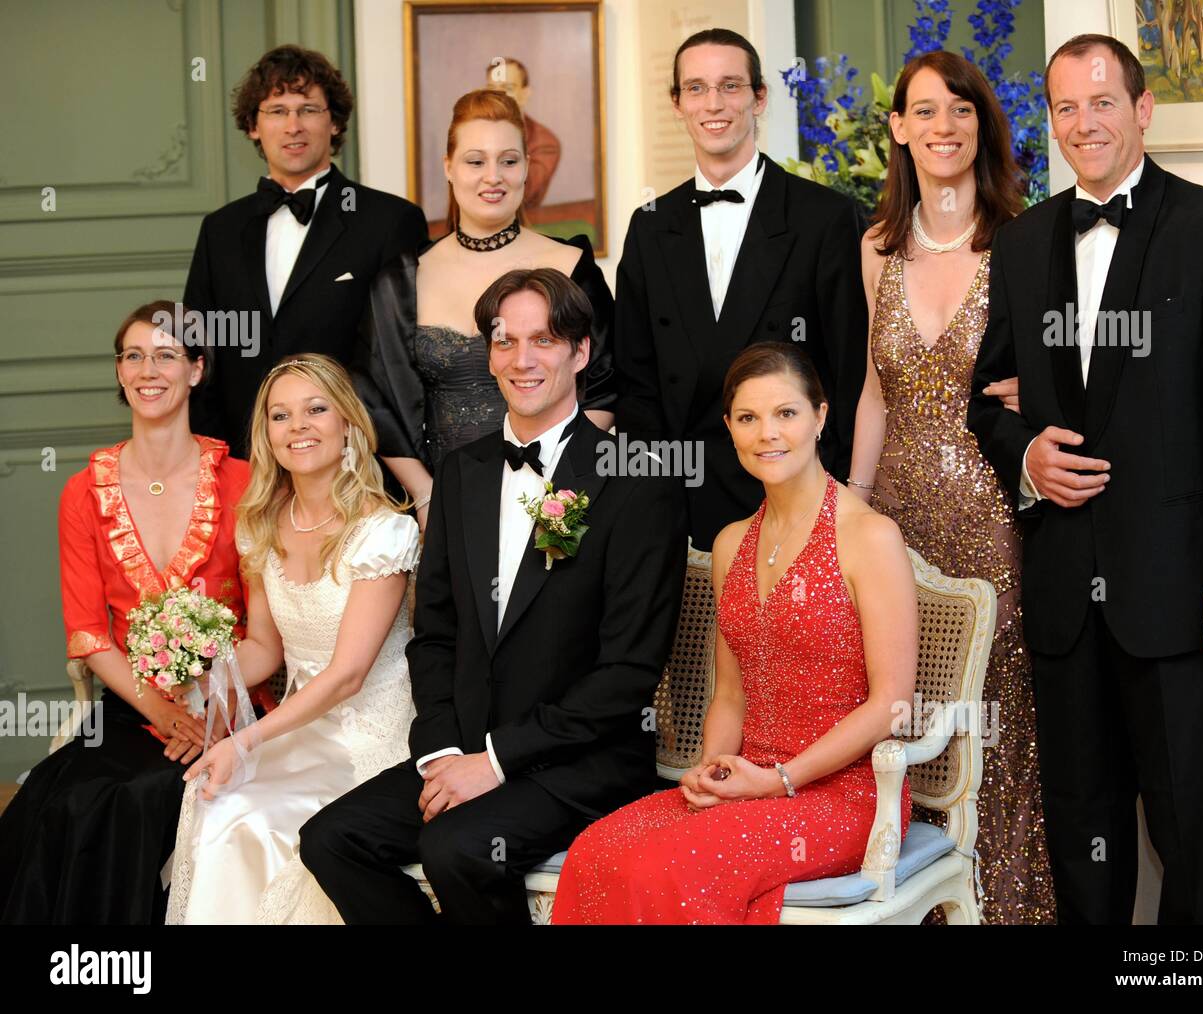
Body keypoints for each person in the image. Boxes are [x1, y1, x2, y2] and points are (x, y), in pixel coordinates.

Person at [967, 34, 1203, 925]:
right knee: (1080, 819)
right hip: (1066, 586)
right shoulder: (1026, 241)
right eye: (1066, 107)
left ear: (1142, 109)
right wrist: (1025, 456)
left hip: (1179, 586)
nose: (1084, 123)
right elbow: (985, 402)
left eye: (1102, 102)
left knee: (1189, 824)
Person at [299, 268, 687, 925]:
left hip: (581, 761)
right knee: (332, 839)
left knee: (458, 847)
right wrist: (446, 750)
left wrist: (498, 761)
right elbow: (436, 634)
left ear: (581, 352)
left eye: (544, 340)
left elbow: (628, 674)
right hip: (466, 749)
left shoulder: (637, 482)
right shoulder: (460, 473)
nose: (522, 359)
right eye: (506, 341)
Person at [553, 342, 915, 924]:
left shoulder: (870, 538)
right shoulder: (729, 543)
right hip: (746, 782)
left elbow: (893, 705)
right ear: (729, 428)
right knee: (595, 851)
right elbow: (730, 695)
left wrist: (779, 780)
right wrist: (711, 770)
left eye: (786, 413)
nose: (767, 433)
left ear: (821, 417)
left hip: (845, 795)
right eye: (748, 418)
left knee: (674, 864)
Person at [852, 51, 1054, 924]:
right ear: (898, 128)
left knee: (996, 717)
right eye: (925, 112)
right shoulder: (876, 248)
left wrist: (1038, 393)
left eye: (961, 110)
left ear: (983, 123)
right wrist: (852, 506)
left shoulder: (1026, 239)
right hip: (895, 520)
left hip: (994, 515)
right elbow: (871, 387)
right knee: (905, 710)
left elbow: (1063, 373)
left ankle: (1007, 907)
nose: (944, 127)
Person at [0, 302, 250, 924]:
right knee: (58, 799)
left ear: (196, 369)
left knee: (140, 794)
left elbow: (270, 626)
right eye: (134, 356)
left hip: (235, 702)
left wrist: (213, 713)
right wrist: (165, 713)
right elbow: (89, 630)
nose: (148, 369)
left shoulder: (245, 482)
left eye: (166, 355)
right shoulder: (84, 491)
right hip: (136, 701)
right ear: (118, 372)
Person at [165, 354, 420, 924]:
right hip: (300, 725)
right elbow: (264, 649)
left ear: (348, 423)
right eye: (281, 416)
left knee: (262, 811)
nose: (298, 426)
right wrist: (198, 682)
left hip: (372, 734)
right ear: (268, 436)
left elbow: (347, 675)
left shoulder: (383, 530)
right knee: (217, 800)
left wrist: (245, 740)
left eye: (316, 409)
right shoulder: (261, 524)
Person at [614, 28, 868, 550]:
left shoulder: (825, 217)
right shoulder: (649, 225)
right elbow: (635, 380)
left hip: (789, 496)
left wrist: (831, 496)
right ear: (677, 103)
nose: (714, 104)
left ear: (759, 98)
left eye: (730, 86)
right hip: (677, 508)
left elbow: (848, 374)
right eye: (697, 88)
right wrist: (654, 493)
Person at [355, 88, 614, 531]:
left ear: (527, 169)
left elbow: (609, 384)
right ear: (449, 168)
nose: (493, 176)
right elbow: (377, 400)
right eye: (476, 161)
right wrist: (426, 499)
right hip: (439, 505)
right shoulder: (403, 280)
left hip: (555, 501)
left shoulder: (572, 266)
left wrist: (556, 491)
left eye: (508, 161)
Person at [185, 45, 428, 458]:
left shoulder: (390, 221)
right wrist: (216, 461)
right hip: (244, 465)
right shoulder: (219, 230)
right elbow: (200, 354)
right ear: (252, 126)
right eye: (277, 111)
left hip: (357, 465)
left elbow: (404, 363)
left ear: (334, 123)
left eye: (309, 109)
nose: (293, 125)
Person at [484, 58, 561, 210]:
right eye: (492, 89)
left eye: (508, 88)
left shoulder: (545, 142)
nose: (499, 96)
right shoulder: (473, 135)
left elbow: (519, 193)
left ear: (525, 94)